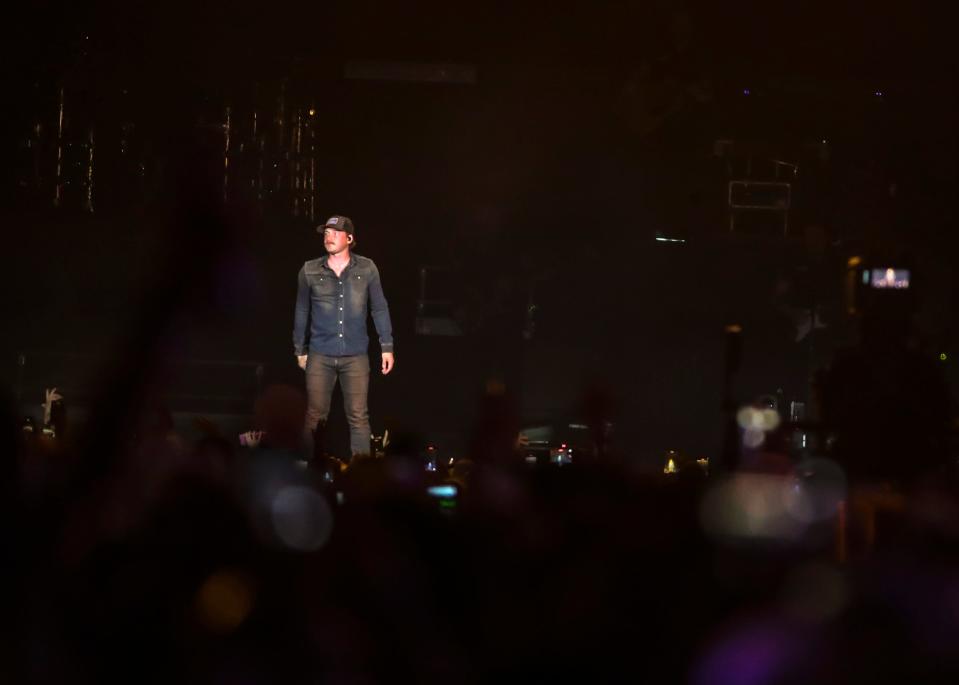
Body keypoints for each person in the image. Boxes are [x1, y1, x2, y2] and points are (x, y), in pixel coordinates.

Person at [293, 215, 394, 461]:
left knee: (358, 415)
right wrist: (299, 349)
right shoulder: (309, 270)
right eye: (326, 233)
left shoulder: (367, 268)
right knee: (315, 415)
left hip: (356, 354)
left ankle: (361, 473)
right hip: (320, 352)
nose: (329, 237)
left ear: (349, 238)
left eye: (335, 233)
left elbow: (378, 307)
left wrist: (387, 346)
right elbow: (301, 310)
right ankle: (308, 468)